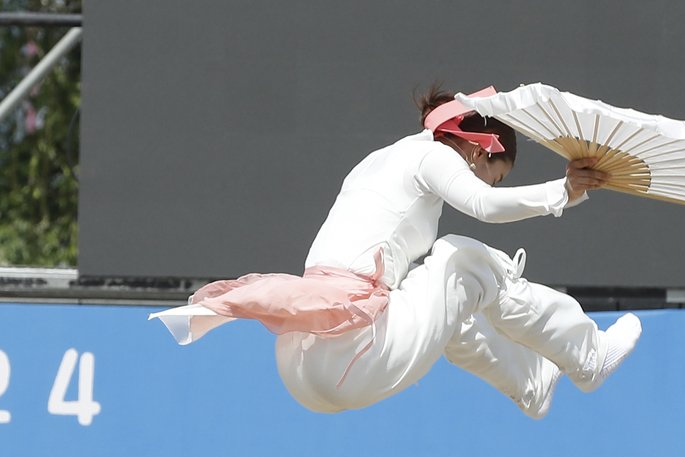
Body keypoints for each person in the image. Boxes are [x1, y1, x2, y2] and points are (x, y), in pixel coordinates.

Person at [151, 85, 643, 419]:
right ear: (479, 149)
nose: (493, 180)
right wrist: (562, 192)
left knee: (449, 304)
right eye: (499, 171)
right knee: (459, 260)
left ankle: (531, 384)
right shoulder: (431, 154)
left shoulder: (378, 161)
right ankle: (588, 355)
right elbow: (483, 205)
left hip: (302, 365)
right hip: (351, 353)